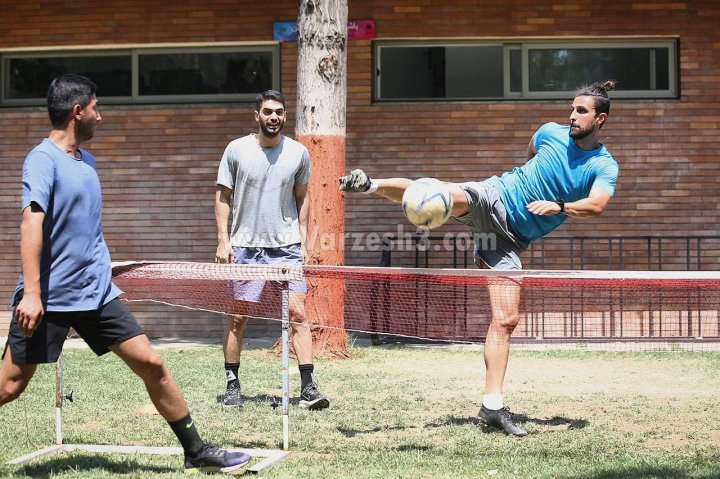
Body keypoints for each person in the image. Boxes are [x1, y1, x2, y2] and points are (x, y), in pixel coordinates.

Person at [0, 74, 251, 474]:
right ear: (77, 112)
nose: (100, 117)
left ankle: (196, 451)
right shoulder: (41, 160)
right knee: (10, 387)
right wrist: (31, 294)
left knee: (152, 363)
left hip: (97, 294)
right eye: (96, 108)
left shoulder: (87, 161)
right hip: (49, 297)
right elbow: (31, 222)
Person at [339, 80, 619, 436]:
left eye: (582, 111)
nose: (572, 116)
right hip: (495, 196)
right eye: (572, 108)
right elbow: (531, 154)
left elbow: (596, 205)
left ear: (601, 119)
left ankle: (492, 407)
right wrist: (528, 185)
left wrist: (559, 205)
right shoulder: (549, 133)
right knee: (439, 194)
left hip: (508, 240)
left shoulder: (604, 165)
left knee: (506, 318)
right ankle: (371, 185)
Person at [214, 89, 329, 410]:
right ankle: (233, 384)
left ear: (284, 116)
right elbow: (223, 196)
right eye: (268, 112)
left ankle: (308, 387)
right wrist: (224, 239)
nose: (274, 117)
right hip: (246, 247)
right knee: (238, 318)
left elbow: (303, 196)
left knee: (298, 314)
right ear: (257, 115)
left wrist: (305, 241)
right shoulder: (236, 150)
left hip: (287, 248)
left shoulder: (297, 153)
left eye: (279, 112)